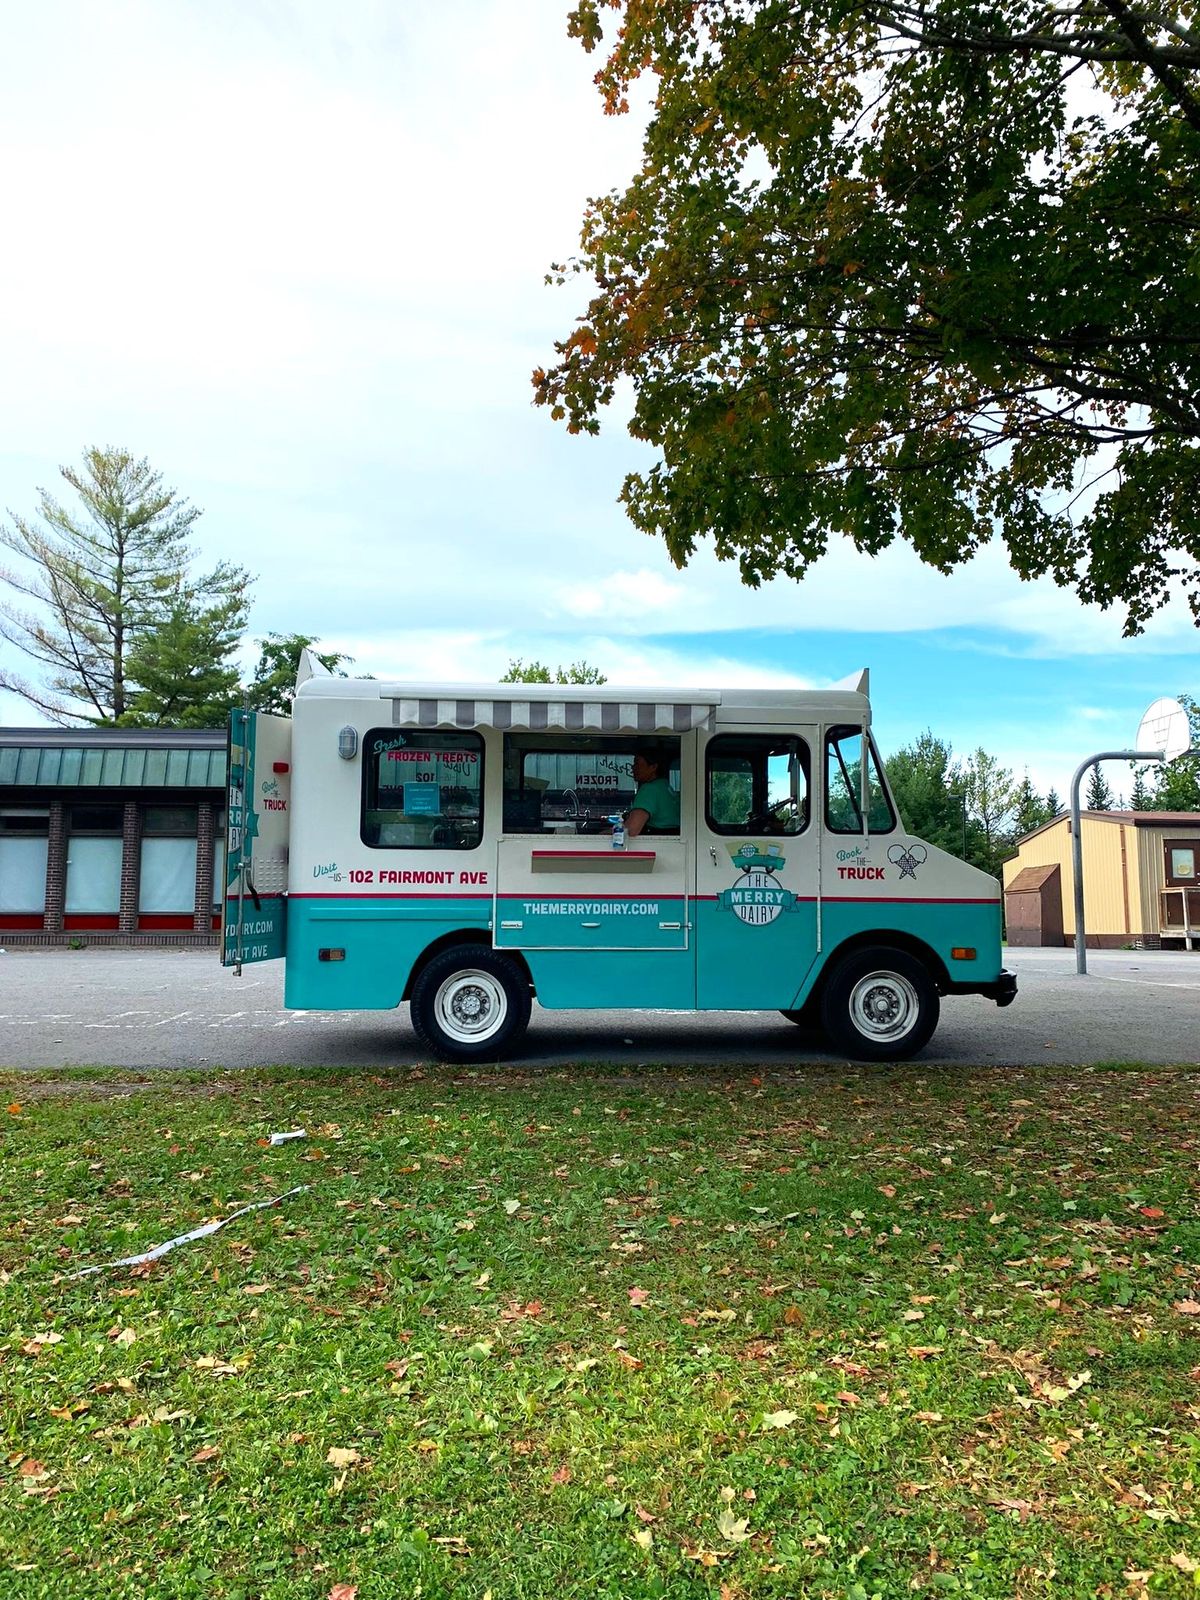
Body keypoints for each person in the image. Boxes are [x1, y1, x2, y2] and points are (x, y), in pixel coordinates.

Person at [625, 747, 680, 836]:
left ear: (653, 767)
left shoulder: (649, 789)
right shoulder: (664, 785)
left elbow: (632, 829)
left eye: (637, 763)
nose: (632, 767)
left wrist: (605, 833)